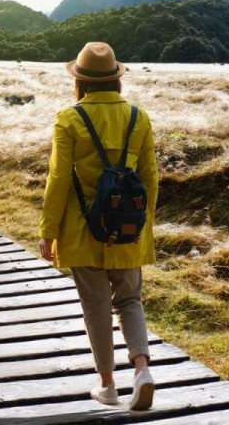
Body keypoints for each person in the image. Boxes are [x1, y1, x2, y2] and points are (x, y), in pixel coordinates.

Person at [38, 42, 159, 410]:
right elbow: (150, 176)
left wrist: (48, 231)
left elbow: (58, 178)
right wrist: (142, 223)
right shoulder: (139, 117)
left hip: (82, 230)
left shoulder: (69, 118)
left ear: (81, 81)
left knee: (96, 306)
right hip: (127, 229)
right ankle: (142, 371)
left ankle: (108, 385)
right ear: (115, 79)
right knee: (130, 300)